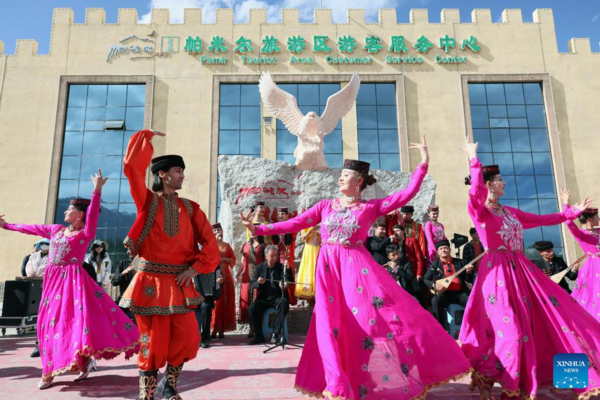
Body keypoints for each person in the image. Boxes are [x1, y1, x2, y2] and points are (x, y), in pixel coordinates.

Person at [242, 137, 472, 400]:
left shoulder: (370, 208)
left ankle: (386, 379)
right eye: (341, 174)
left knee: (368, 322)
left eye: (346, 175)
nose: (340, 179)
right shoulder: (326, 206)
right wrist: (258, 229)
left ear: (359, 181)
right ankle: (339, 385)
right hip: (329, 273)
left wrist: (423, 166)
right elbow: (294, 223)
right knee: (330, 324)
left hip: (357, 273)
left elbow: (404, 196)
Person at [459, 139, 600, 400]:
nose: (504, 183)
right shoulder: (480, 212)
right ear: (489, 184)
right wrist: (473, 159)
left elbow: (543, 219)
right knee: (510, 332)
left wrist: (571, 213)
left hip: (522, 273)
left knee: (554, 322)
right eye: (499, 179)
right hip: (497, 276)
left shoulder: (510, 212)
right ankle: (504, 383)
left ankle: (571, 377)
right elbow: (474, 192)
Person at [0, 170, 139, 390]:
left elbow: (93, 214)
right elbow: (30, 228)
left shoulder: (85, 234)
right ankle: (53, 368)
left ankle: (72, 365)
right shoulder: (55, 230)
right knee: (46, 322)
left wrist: (97, 190)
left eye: (70, 209)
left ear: (80, 215)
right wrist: (6, 226)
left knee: (74, 323)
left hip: (73, 283)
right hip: (52, 281)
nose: (66, 211)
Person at [119, 129, 220, 400]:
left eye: (183, 171)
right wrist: (144, 138)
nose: (182, 176)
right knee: (150, 344)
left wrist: (195, 268)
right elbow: (131, 168)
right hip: (150, 282)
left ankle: (168, 386)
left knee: (188, 338)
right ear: (162, 174)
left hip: (179, 282)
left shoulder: (191, 208)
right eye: (178, 171)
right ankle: (147, 396)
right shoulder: (147, 201)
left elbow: (210, 244)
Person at [561, 189, 600, 322]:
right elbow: (567, 222)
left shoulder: (598, 231)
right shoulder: (581, 234)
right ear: (589, 219)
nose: (599, 219)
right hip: (594, 268)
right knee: (594, 297)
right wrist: (566, 203)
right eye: (597, 217)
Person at [248, 245, 293, 345]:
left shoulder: (281, 267)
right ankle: (259, 336)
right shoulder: (260, 267)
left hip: (278, 297)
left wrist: (288, 269)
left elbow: (290, 281)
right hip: (265, 298)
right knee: (252, 309)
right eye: (272, 255)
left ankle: (275, 334)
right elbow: (253, 283)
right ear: (266, 256)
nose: (274, 258)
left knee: (284, 302)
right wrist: (259, 282)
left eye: (275, 255)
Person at [423, 240, 474, 326]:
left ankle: (471, 327)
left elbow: (469, 280)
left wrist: (469, 272)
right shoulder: (434, 265)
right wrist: (434, 285)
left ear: (450, 250)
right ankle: (440, 328)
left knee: (471, 300)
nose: (443, 250)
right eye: (441, 248)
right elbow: (425, 279)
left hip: (460, 294)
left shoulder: (460, 262)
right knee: (435, 300)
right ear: (438, 252)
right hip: (444, 294)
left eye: (446, 248)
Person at [238, 226, 265, 338]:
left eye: (254, 230)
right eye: (250, 231)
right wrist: (238, 273)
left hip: (258, 275)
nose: (252, 233)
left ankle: (259, 326)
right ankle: (251, 327)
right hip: (246, 276)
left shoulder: (263, 246)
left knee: (256, 300)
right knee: (248, 301)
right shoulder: (245, 245)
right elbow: (242, 262)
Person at [211, 223, 237, 339]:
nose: (218, 232)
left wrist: (225, 259)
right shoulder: (211, 245)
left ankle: (222, 330)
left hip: (226, 275)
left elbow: (233, 259)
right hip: (214, 275)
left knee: (225, 302)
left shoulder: (227, 245)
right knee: (216, 303)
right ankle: (213, 329)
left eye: (219, 230)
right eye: (215, 231)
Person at [273, 207, 297, 306]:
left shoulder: (291, 226)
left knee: (286, 271)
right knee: (277, 271)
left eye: (283, 214)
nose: (280, 216)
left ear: (287, 215)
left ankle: (288, 295)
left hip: (287, 252)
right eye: (279, 214)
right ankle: (277, 293)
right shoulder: (275, 226)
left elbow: (293, 241)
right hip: (277, 252)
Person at [194, 265, 222, 348]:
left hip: (206, 297)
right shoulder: (190, 265)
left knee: (206, 307)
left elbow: (219, 282)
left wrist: (220, 281)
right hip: (190, 297)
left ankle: (205, 338)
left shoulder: (215, 266)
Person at [294, 224, 321, 299]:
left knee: (318, 269)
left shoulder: (321, 224)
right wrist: (312, 228)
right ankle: (309, 291)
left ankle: (318, 290)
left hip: (319, 249)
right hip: (309, 250)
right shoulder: (305, 225)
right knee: (309, 268)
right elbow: (303, 238)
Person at [111, 255, 136, 319]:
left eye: (130, 248)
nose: (128, 251)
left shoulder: (147, 264)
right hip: (124, 304)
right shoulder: (123, 263)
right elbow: (114, 282)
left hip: (139, 305)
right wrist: (123, 273)